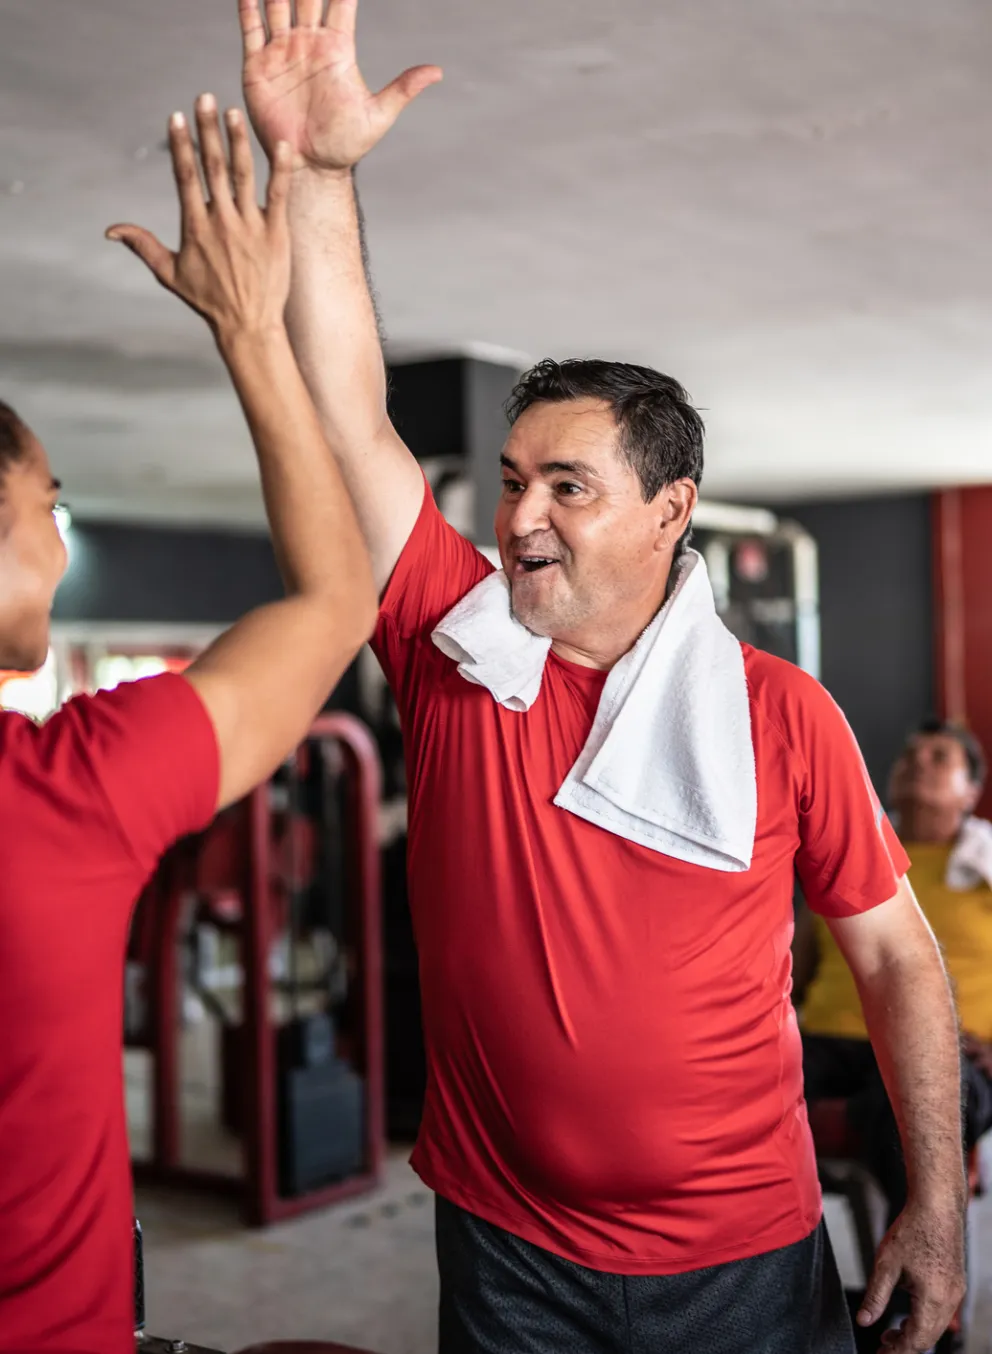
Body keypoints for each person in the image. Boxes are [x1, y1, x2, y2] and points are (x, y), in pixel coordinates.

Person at [238, 4, 966, 1350]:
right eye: (513, 481)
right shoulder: (454, 642)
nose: (521, 519)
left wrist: (934, 1204)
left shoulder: (778, 714)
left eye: (568, 486)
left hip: (745, 1253)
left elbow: (894, 957)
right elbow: (348, 401)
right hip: (509, 1251)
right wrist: (321, 175)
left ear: (669, 508)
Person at [0, 98, 376, 1353]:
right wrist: (250, 331)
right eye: (47, 506)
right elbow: (333, 600)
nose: (59, 540)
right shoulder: (65, 791)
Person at [800, 720, 992, 1234]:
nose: (918, 764)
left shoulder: (986, 867)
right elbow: (793, 967)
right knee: (739, 1086)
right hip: (825, 1042)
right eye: (911, 755)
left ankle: (917, 1299)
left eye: (938, 758)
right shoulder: (844, 854)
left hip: (946, 1047)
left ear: (971, 791)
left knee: (916, 1104)